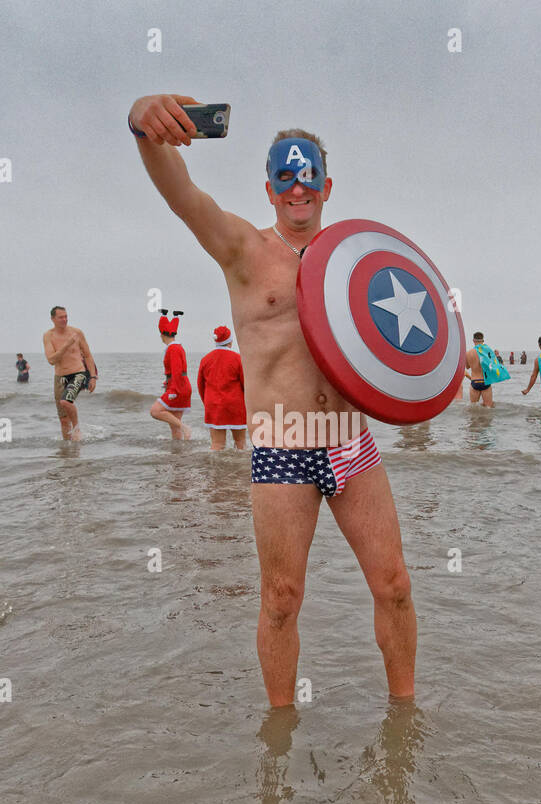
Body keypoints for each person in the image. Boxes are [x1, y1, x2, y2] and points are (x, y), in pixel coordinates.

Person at [129, 93, 415, 707]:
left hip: (350, 443)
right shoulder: (241, 249)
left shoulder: (357, 258)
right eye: (285, 176)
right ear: (268, 187)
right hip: (281, 447)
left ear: (327, 185)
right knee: (282, 600)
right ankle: (279, 733)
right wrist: (143, 125)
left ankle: (405, 719)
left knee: (393, 585)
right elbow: (183, 196)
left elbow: (410, 339)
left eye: (308, 175)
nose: (297, 187)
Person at [43, 306, 98, 441]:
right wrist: (67, 345)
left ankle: (77, 428)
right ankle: (68, 450)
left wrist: (93, 377)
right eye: (61, 317)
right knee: (63, 419)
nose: (64, 319)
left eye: (66, 316)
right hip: (60, 377)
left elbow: (88, 356)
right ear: (52, 319)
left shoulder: (77, 333)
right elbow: (51, 360)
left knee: (66, 401)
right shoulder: (48, 336)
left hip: (78, 373)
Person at [197, 324, 248, 449]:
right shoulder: (237, 359)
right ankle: (240, 468)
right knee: (240, 443)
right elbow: (245, 384)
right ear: (230, 342)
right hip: (235, 406)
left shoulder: (205, 359)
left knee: (217, 444)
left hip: (214, 406)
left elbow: (200, 386)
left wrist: (208, 403)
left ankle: (215, 468)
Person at [150, 312, 193, 439]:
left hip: (178, 387)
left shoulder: (173, 349)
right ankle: (179, 454)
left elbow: (177, 371)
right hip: (180, 386)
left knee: (155, 411)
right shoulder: (176, 347)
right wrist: (168, 384)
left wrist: (174, 390)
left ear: (162, 335)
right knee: (174, 427)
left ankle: (185, 427)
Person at [465, 331, 509, 406]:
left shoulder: (468, 353)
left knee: (473, 408)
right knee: (489, 407)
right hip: (485, 382)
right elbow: (494, 365)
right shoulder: (488, 351)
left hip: (474, 381)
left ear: (473, 340)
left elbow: (467, 367)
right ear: (483, 341)